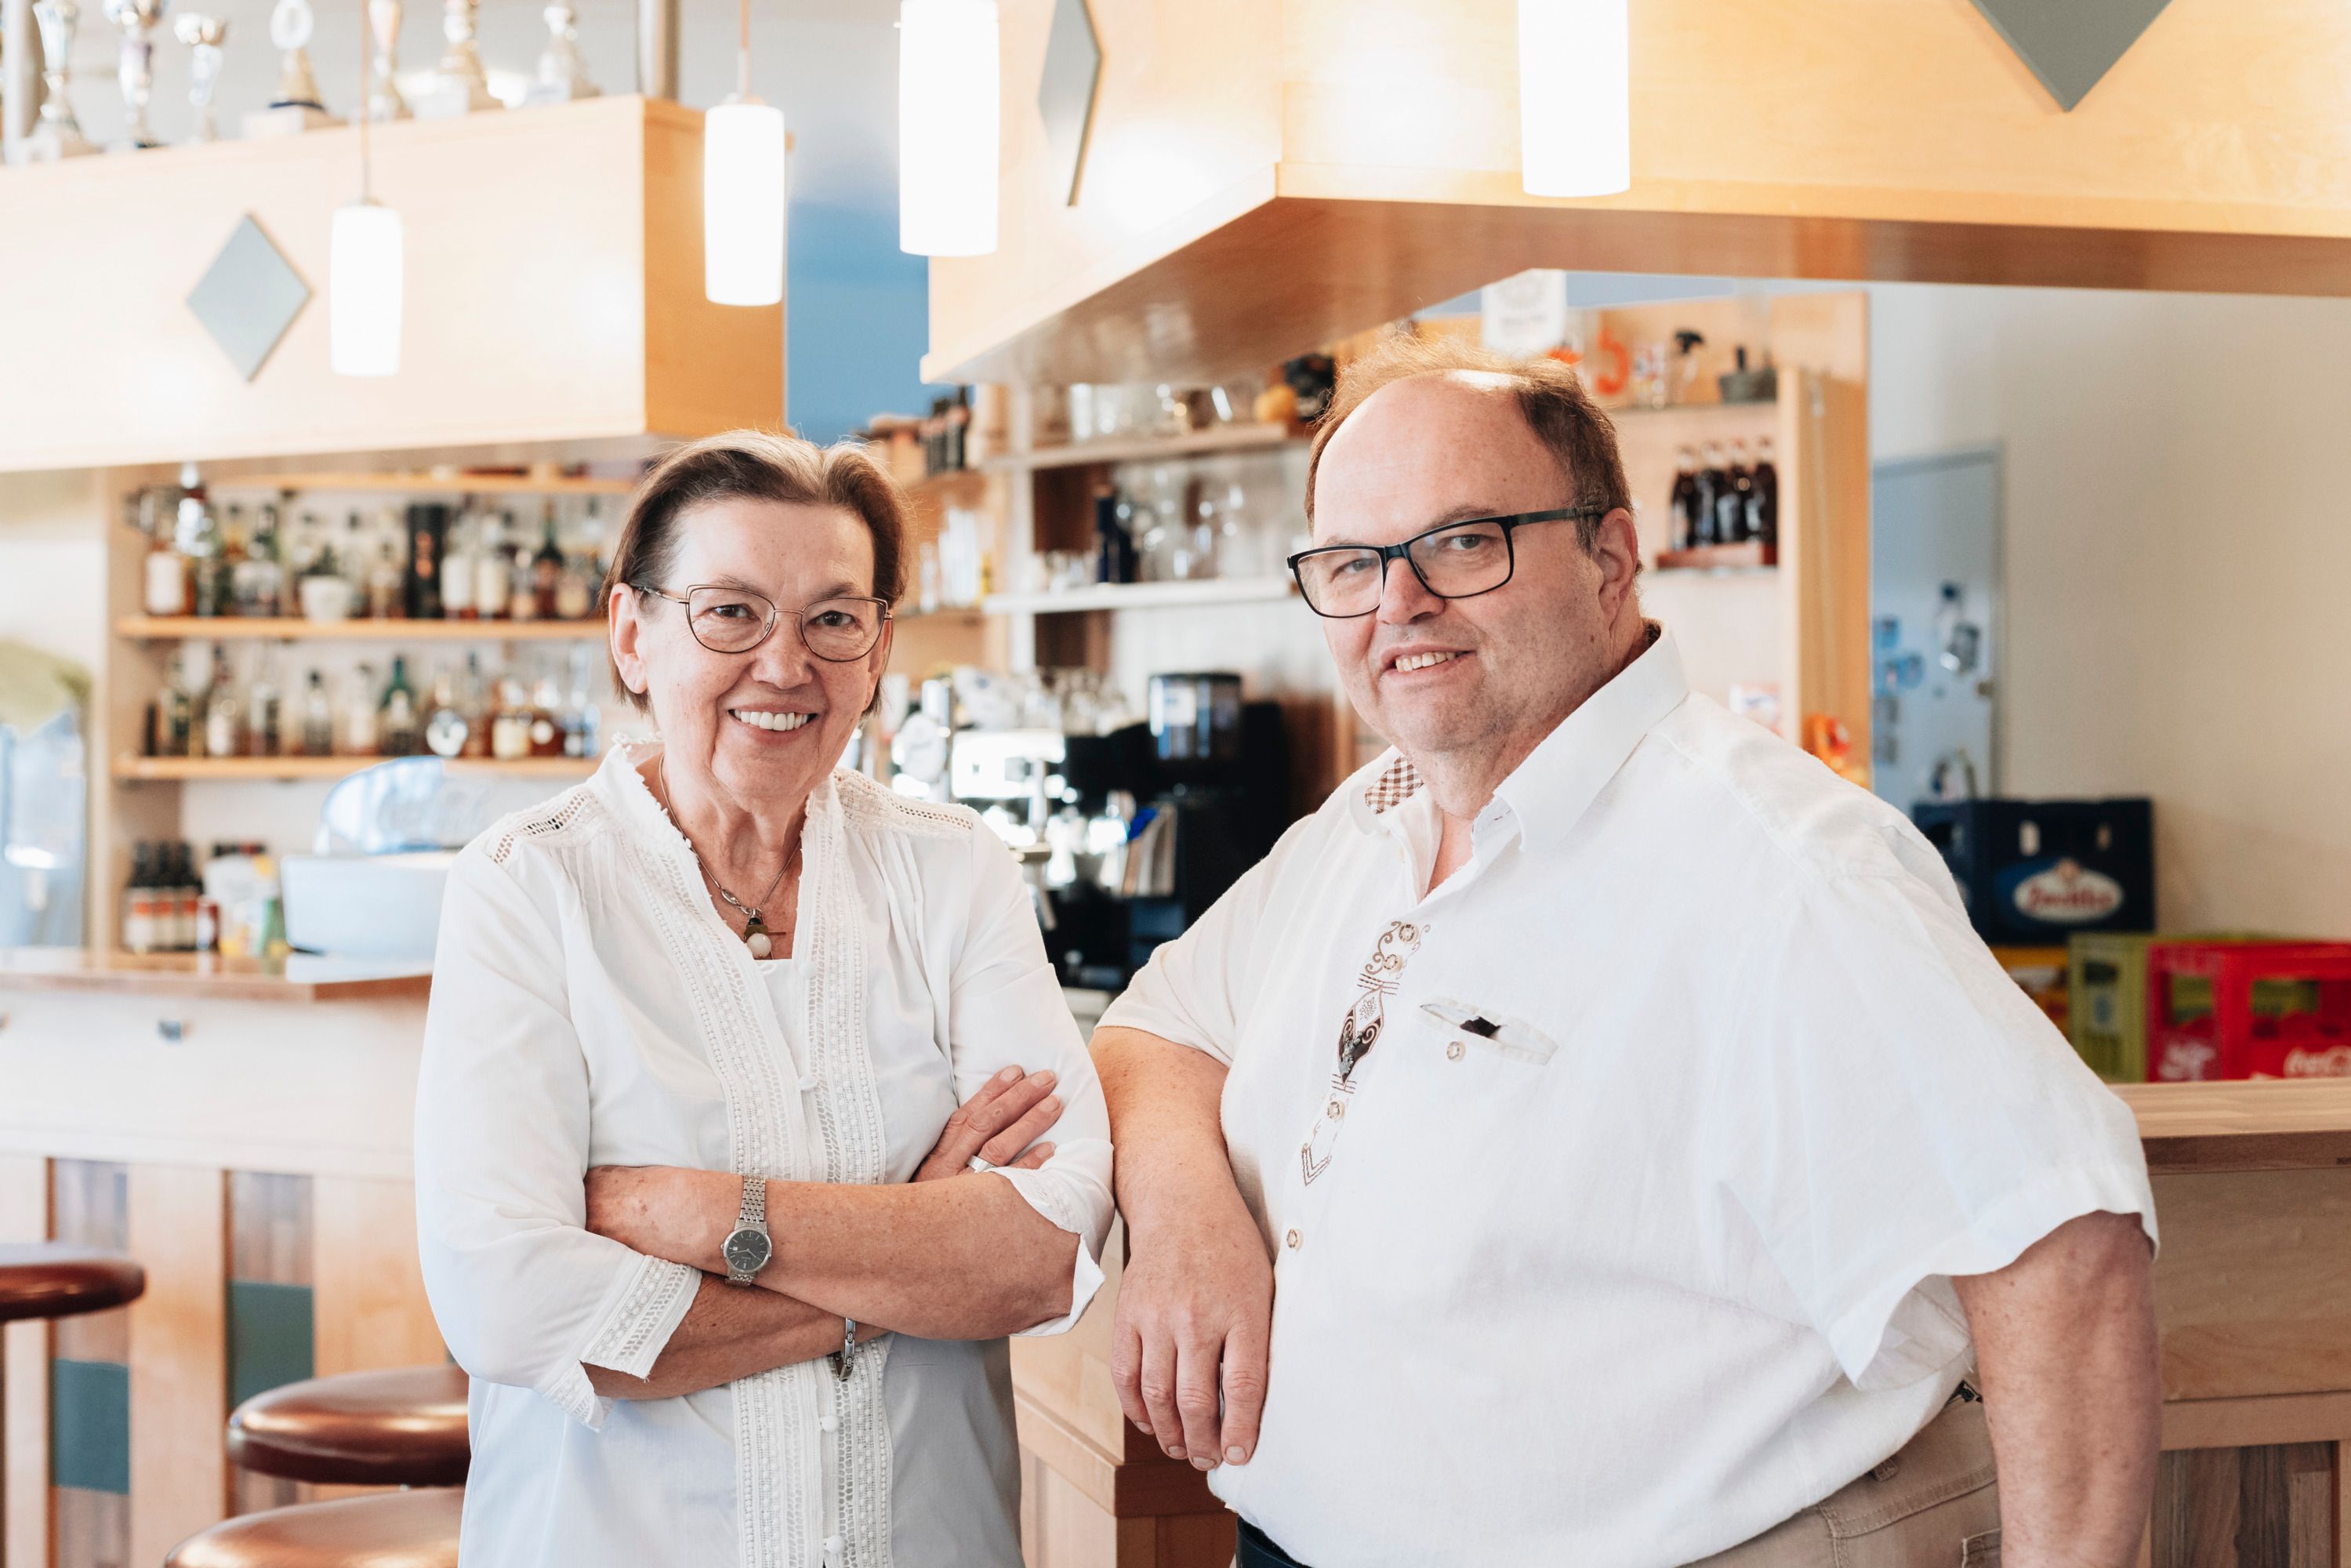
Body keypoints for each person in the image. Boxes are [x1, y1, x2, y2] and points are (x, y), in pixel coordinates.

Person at [1091, 336, 2161, 1567]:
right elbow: (1156, 1028)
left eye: (1462, 543)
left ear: (1609, 557)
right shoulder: (1370, 819)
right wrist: (1187, 1218)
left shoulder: (1783, 869)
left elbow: (2065, 1248)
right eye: (1350, 563)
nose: (1398, 603)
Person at [415, 431, 1112, 1568]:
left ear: (879, 652)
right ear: (632, 635)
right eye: (731, 613)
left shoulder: (954, 869)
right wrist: (912, 1255)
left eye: (832, 619)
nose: (785, 666)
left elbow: (1048, 1244)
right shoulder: (527, 883)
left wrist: (699, 1216)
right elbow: (506, 1303)